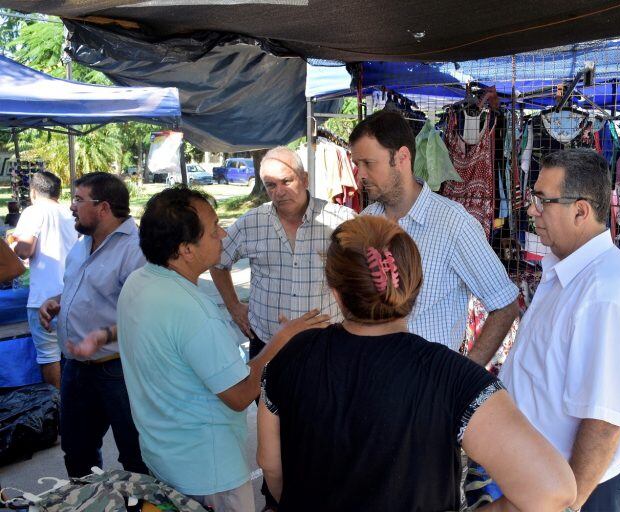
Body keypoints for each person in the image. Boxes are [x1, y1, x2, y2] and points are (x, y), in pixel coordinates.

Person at [257, 215, 575, 512]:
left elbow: (269, 463)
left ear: (337, 293)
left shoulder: (292, 355)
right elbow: (552, 490)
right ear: (415, 285)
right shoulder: (451, 377)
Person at [70, 187, 329, 512]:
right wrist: (282, 340)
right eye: (213, 229)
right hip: (210, 474)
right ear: (185, 250)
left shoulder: (139, 282)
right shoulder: (193, 310)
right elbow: (239, 395)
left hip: (164, 457)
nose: (223, 234)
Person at [499, 149, 620, 512]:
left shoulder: (607, 292)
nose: (531, 209)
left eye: (542, 200)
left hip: (580, 489)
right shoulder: (569, 268)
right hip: (547, 478)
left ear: (580, 211)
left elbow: (604, 423)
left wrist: (568, 506)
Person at [349, 111, 518, 364]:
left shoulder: (454, 224)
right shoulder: (364, 221)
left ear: (402, 157)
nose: (360, 174)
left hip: (427, 388)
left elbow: (505, 305)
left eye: (369, 163)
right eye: (357, 164)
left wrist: (461, 377)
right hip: (369, 376)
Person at [38, 172, 147, 478]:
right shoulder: (82, 243)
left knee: (136, 456)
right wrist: (57, 301)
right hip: (75, 366)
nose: (71, 206)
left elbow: (144, 316)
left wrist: (103, 336)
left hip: (117, 370)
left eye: (78, 199)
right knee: (77, 452)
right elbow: (84, 287)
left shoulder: (135, 250)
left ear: (103, 207)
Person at [211, 146, 355, 357]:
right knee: (266, 391)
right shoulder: (251, 223)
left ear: (305, 179)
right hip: (267, 345)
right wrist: (233, 305)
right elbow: (217, 261)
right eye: (271, 185)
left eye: (287, 181)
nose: (279, 192)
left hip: (325, 345)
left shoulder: (340, 220)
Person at [11, 171, 77, 388]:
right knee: (74, 354)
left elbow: (25, 250)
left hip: (44, 298)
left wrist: (14, 245)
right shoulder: (70, 212)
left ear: (33, 192)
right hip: (73, 293)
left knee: (49, 357)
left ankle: (57, 408)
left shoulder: (33, 211)